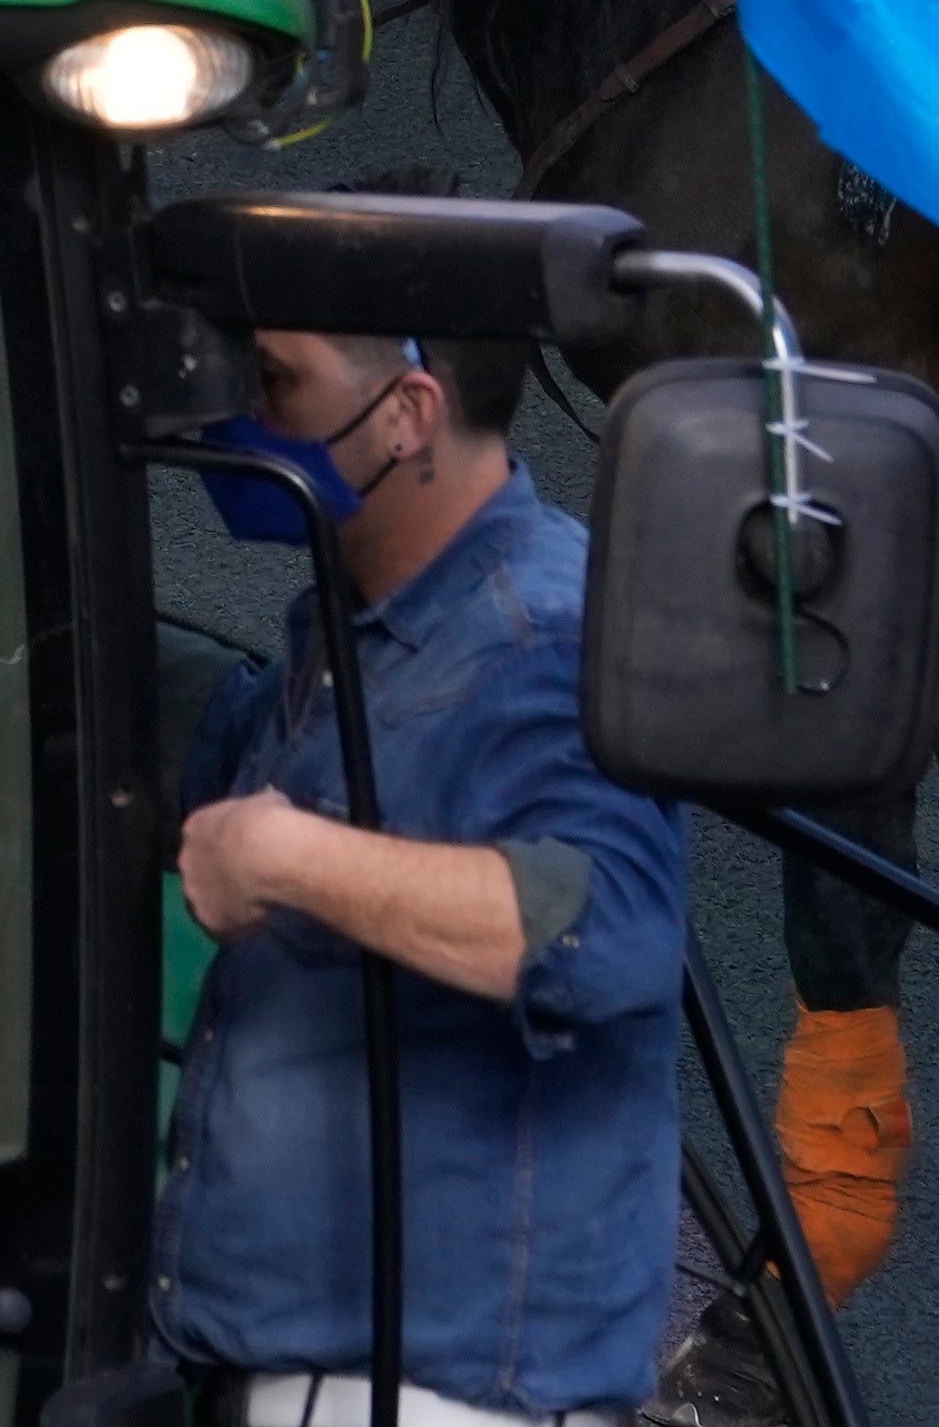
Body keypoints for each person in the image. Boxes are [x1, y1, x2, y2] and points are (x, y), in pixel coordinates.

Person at [146, 307, 694, 1427]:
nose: (242, 416)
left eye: (274, 382)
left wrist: (286, 855)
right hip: (309, 1377)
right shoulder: (369, 628)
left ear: (405, 413)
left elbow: (607, 926)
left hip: (428, 1397)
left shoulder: (538, 635)